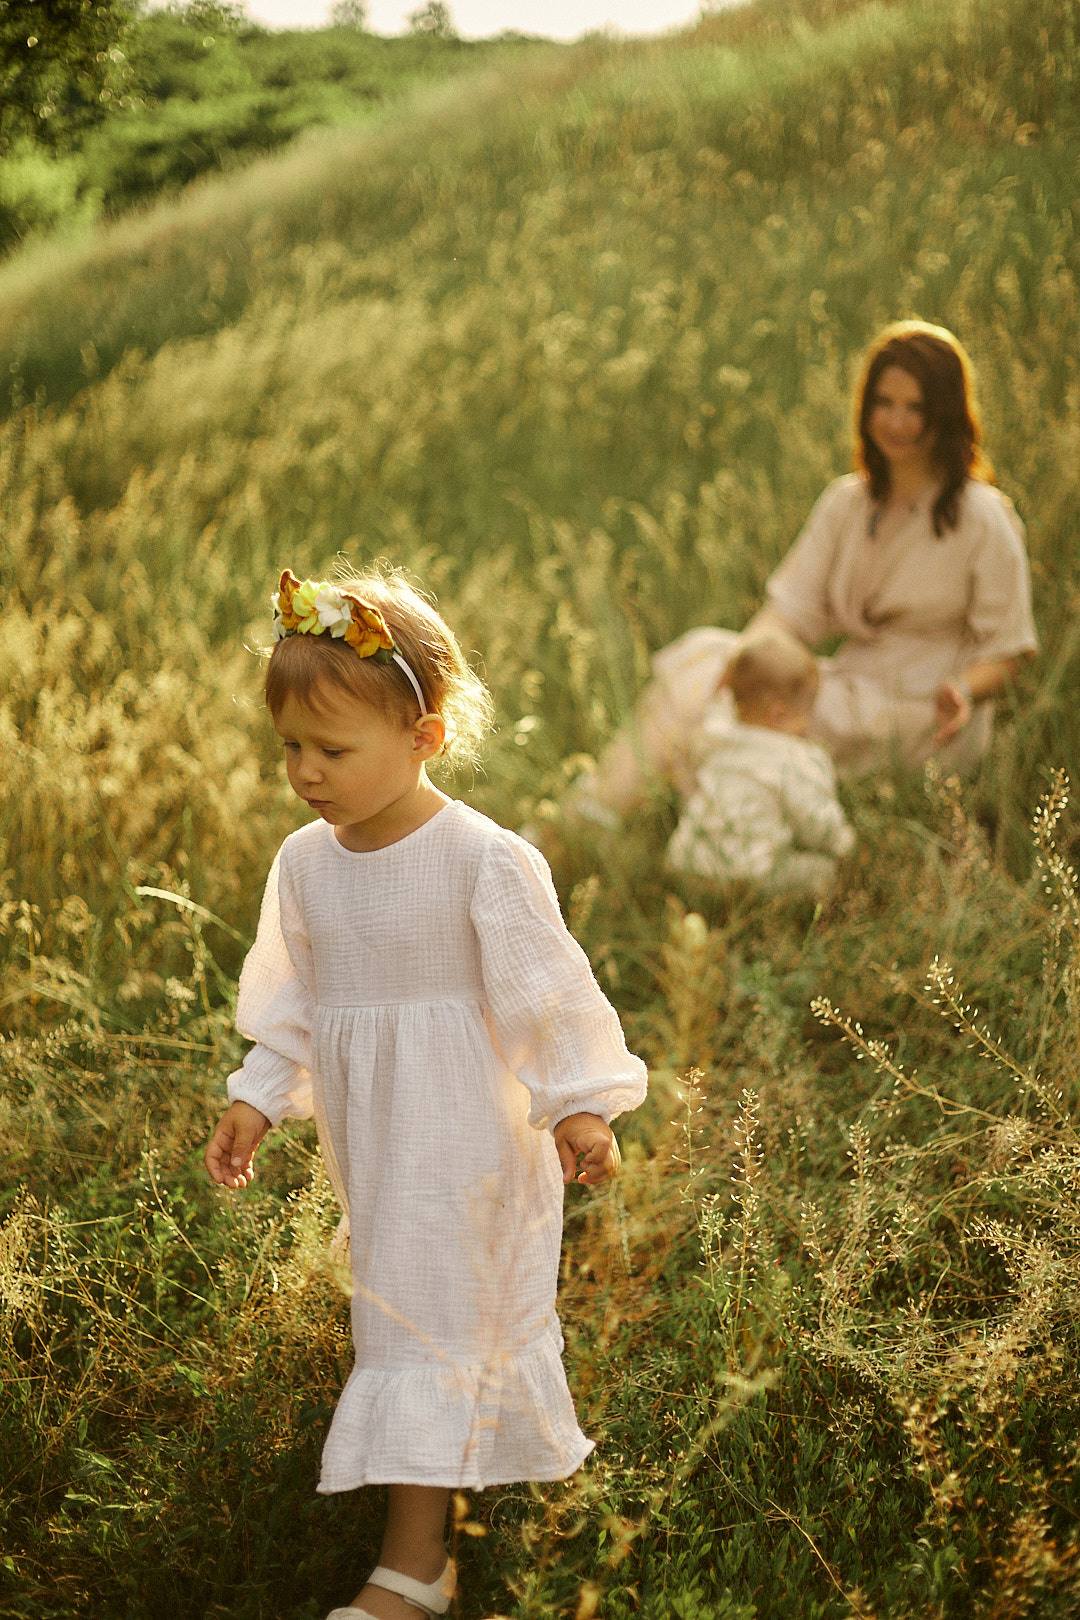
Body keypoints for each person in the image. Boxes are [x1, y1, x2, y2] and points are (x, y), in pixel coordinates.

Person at [204, 568, 647, 1620]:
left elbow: (545, 994)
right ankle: (451, 1499)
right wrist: (259, 1092)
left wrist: (578, 1102)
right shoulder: (306, 866)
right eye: (291, 749)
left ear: (426, 737)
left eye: (333, 750)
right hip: (381, 1147)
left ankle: (416, 1567)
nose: (306, 773)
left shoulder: (479, 861)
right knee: (407, 1309)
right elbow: (299, 1000)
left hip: (473, 1141)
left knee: (429, 1320)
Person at [567, 321, 1038, 825]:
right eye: (885, 403)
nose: (897, 422)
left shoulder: (982, 515)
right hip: (849, 686)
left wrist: (963, 689)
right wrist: (748, 667)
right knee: (704, 668)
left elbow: (1011, 651)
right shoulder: (848, 502)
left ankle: (602, 820)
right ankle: (602, 816)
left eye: (915, 407)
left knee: (718, 706)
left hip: (924, 712)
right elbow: (789, 613)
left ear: (944, 414)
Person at [666, 629, 854, 895]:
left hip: (688, 865)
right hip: (748, 876)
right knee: (823, 870)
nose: (810, 724)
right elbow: (816, 821)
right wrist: (846, 844)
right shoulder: (794, 759)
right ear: (779, 715)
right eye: (807, 711)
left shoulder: (715, 736)